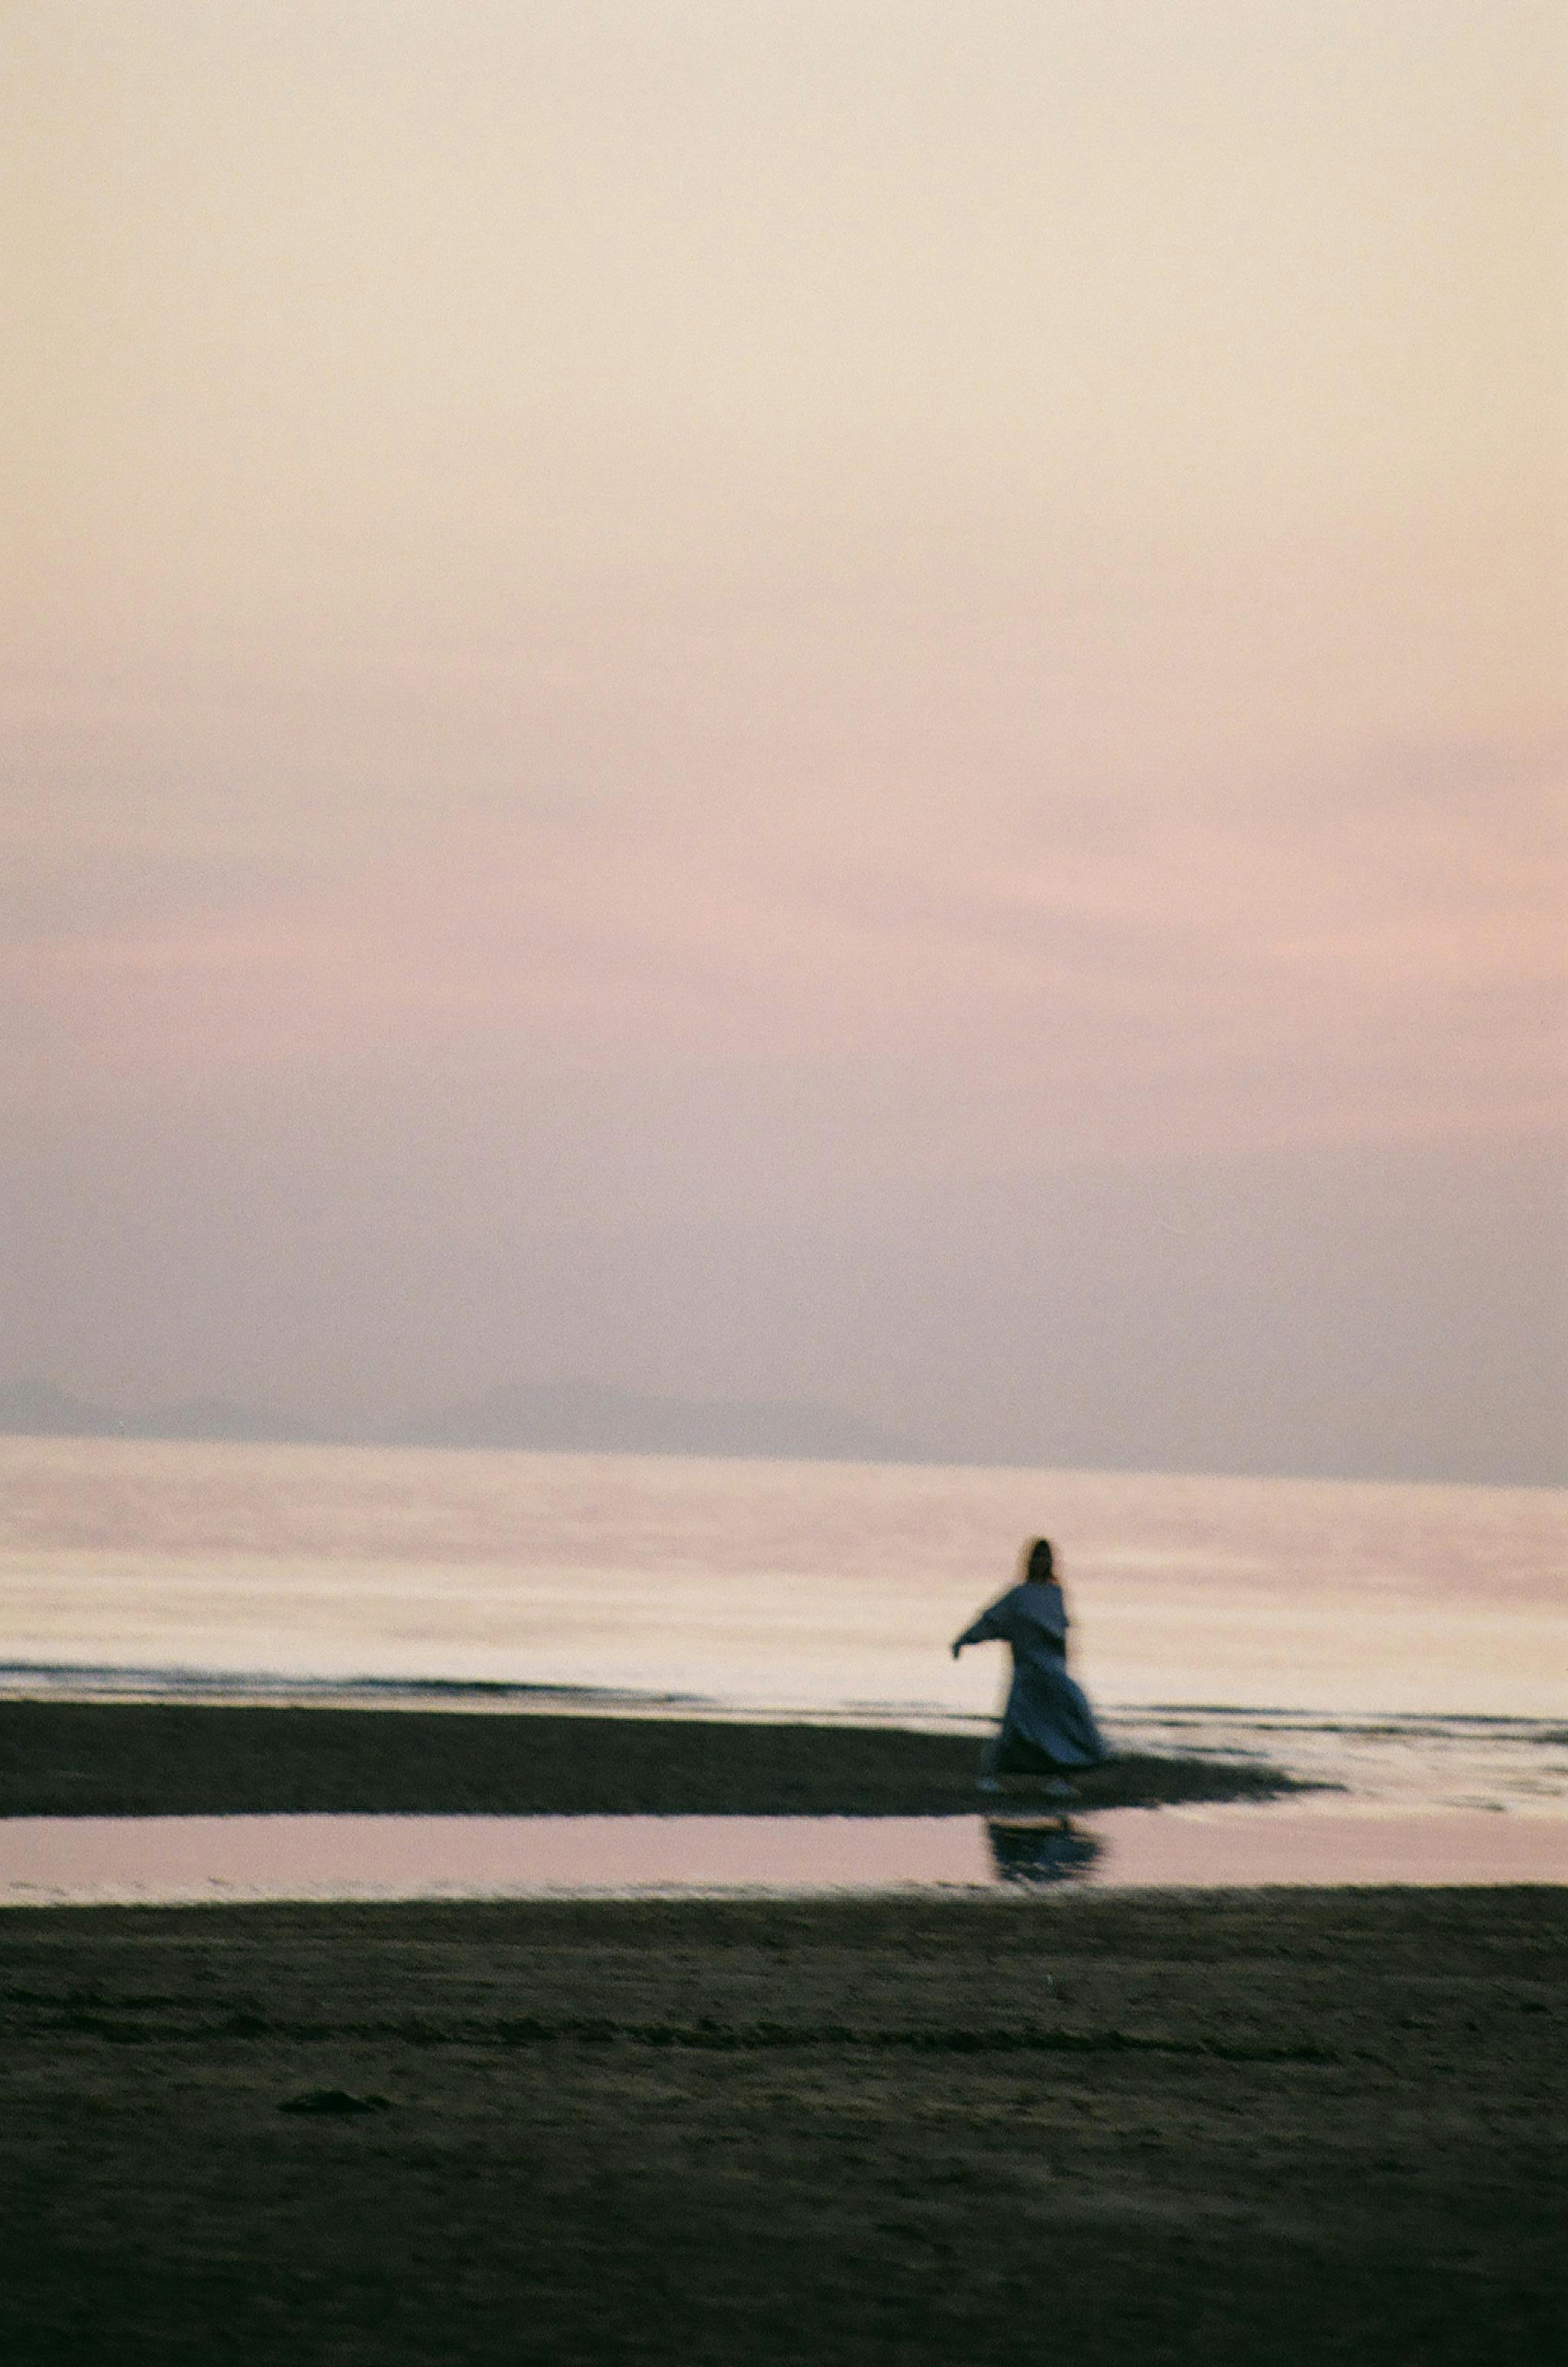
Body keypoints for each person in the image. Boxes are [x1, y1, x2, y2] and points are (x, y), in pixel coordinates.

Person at [951, 1538, 1109, 1793]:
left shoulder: (1056, 1594)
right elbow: (993, 1618)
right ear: (1030, 1561)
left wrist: (1065, 1666)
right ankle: (988, 1776)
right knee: (1016, 1727)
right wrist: (965, 1640)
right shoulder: (1019, 1595)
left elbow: (1062, 1632)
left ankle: (1063, 1780)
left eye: (1047, 1557)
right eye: (1038, 1557)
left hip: (1053, 1671)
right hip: (1027, 1672)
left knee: (1066, 1720)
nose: (1043, 1562)